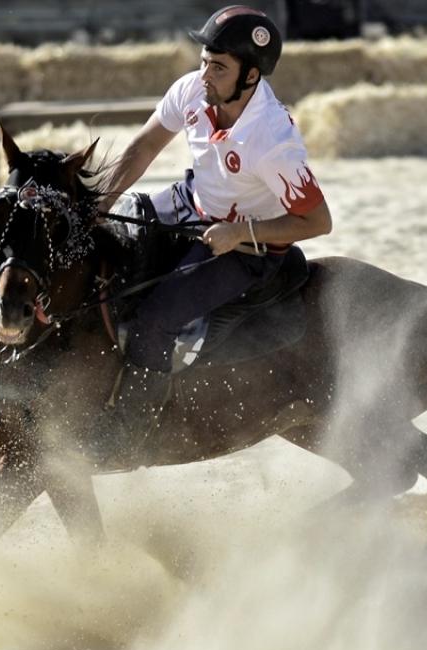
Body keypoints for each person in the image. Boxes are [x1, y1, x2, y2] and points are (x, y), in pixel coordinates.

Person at [96, 5, 332, 461]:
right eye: (204, 61)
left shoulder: (273, 142)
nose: (204, 74)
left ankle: (127, 434)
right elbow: (143, 147)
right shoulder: (193, 89)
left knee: (155, 319)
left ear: (251, 76)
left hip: (250, 249)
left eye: (218, 67)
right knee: (107, 251)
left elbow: (319, 222)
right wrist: (102, 205)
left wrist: (240, 233)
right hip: (191, 202)